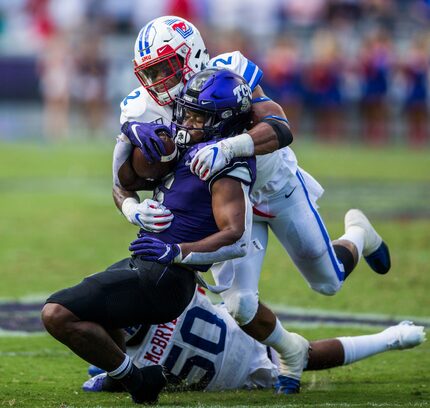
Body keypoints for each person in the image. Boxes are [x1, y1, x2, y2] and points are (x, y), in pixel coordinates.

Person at [113, 15, 391, 394]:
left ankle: (359, 234)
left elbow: (280, 126)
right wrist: (133, 207)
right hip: (225, 206)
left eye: (166, 66)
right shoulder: (142, 108)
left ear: (192, 55)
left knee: (327, 282)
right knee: (241, 305)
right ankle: (289, 350)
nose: (158, 79)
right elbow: (122, 182)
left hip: (275, 187)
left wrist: (228, 147)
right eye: (151, 71)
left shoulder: (228, 71)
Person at [41, 68, 257, 405]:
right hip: (148, 265)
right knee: (95, 313)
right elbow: (124, 181)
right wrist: (130, 134)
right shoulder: (188, 148)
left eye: (199, 117)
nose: (187, 122)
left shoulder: (224, 163)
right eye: (188, 112)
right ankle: (127, 376)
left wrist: (176, 251)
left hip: (168, 276)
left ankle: (137, 380)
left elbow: (236, 237)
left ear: (225, 121)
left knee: (57, 313)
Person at [82, 286, 426, 393]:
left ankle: (391, 338)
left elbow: (100, 381)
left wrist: (107, 373)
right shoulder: (171, 298)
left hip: (247, 371)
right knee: (300, 351)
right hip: (244, 333)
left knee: (306, 357)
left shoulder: (137, 363)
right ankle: (391, 338)